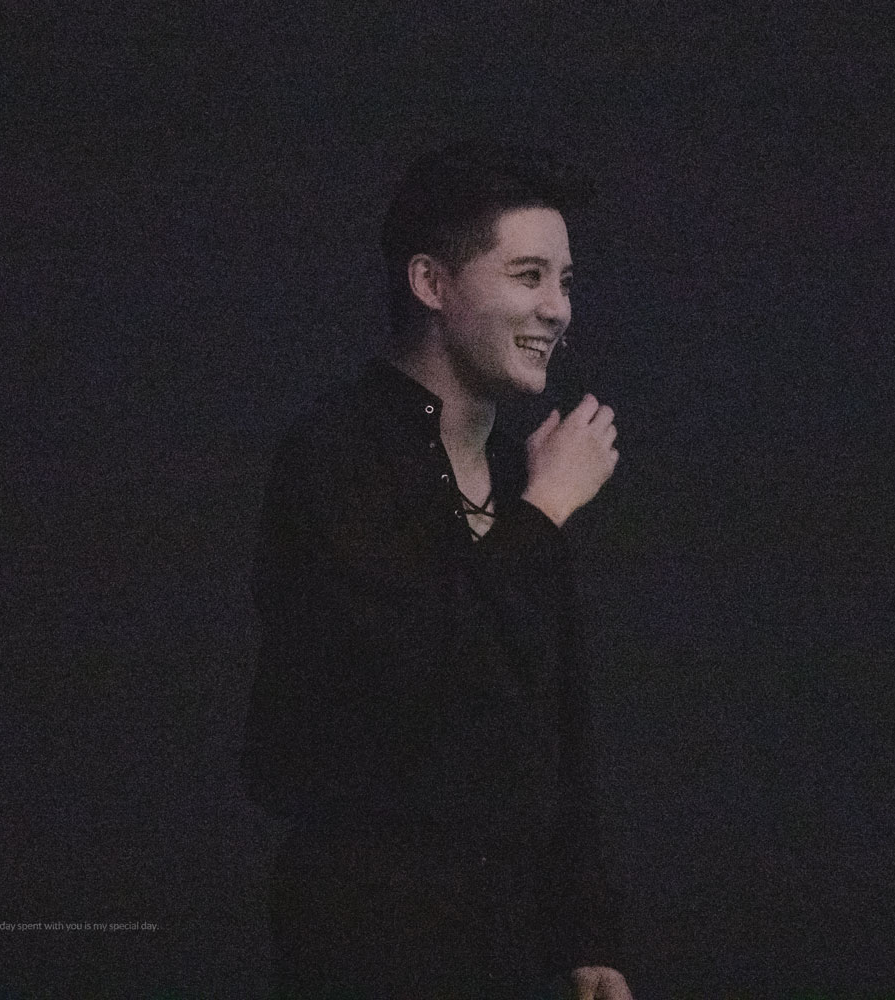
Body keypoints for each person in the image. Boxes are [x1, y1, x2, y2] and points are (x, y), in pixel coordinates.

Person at [241, 140, 634, 1000]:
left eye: (566, 281)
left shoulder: (520, 475)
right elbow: (407, 677)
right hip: (367, 935)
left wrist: (586, 934)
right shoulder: (337, 456)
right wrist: (542, 514)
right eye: (528, 275)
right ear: (431, 282)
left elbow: (554, 729)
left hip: (507, 941)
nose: (558, 308)